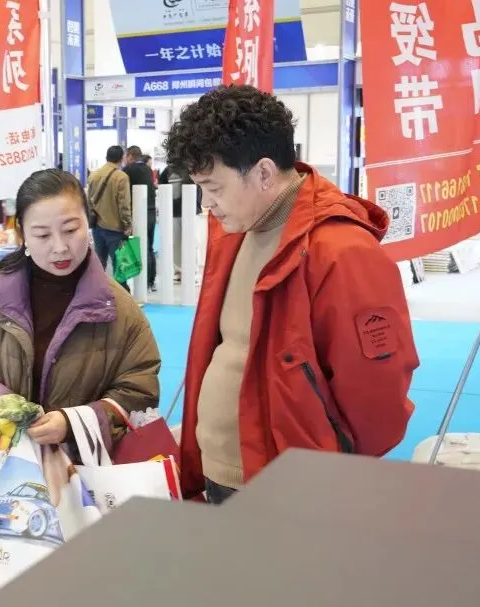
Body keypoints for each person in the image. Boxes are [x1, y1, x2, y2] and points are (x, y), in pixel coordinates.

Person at [164, 85, 418, 505]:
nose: (207, 203)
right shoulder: (235, 231)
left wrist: (323, 471)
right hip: (220, 469)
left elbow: (379, 396)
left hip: (289, 487)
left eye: (214, 188)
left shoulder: (341, 252)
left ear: (263, 173)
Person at [0, 169, 160, 453]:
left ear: (88, 222)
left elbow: (139, 388)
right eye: (42, 235)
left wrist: (73, 423)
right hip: (0, 461)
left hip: (80, 470)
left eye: (71, 230)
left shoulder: (120, 309)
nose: (60, 247)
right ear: (22, 235)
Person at [87, 145, 131, 290]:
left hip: (97, 225)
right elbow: (124, 204)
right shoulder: (121, 177)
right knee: (120, 265)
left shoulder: (93, 175)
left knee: (99, 263)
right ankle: (122, 294)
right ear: (121, 158)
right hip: (115, 227)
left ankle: (97, 292)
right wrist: (127, 224)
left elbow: (89, 201)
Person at [123, 146, 156, 291]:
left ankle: (142, 282)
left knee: (140, 247)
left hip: (138, 212)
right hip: (151, 211)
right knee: (149, 247)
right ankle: (150, 281)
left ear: (130, 156)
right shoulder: (147, 170)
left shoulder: (128, 170)